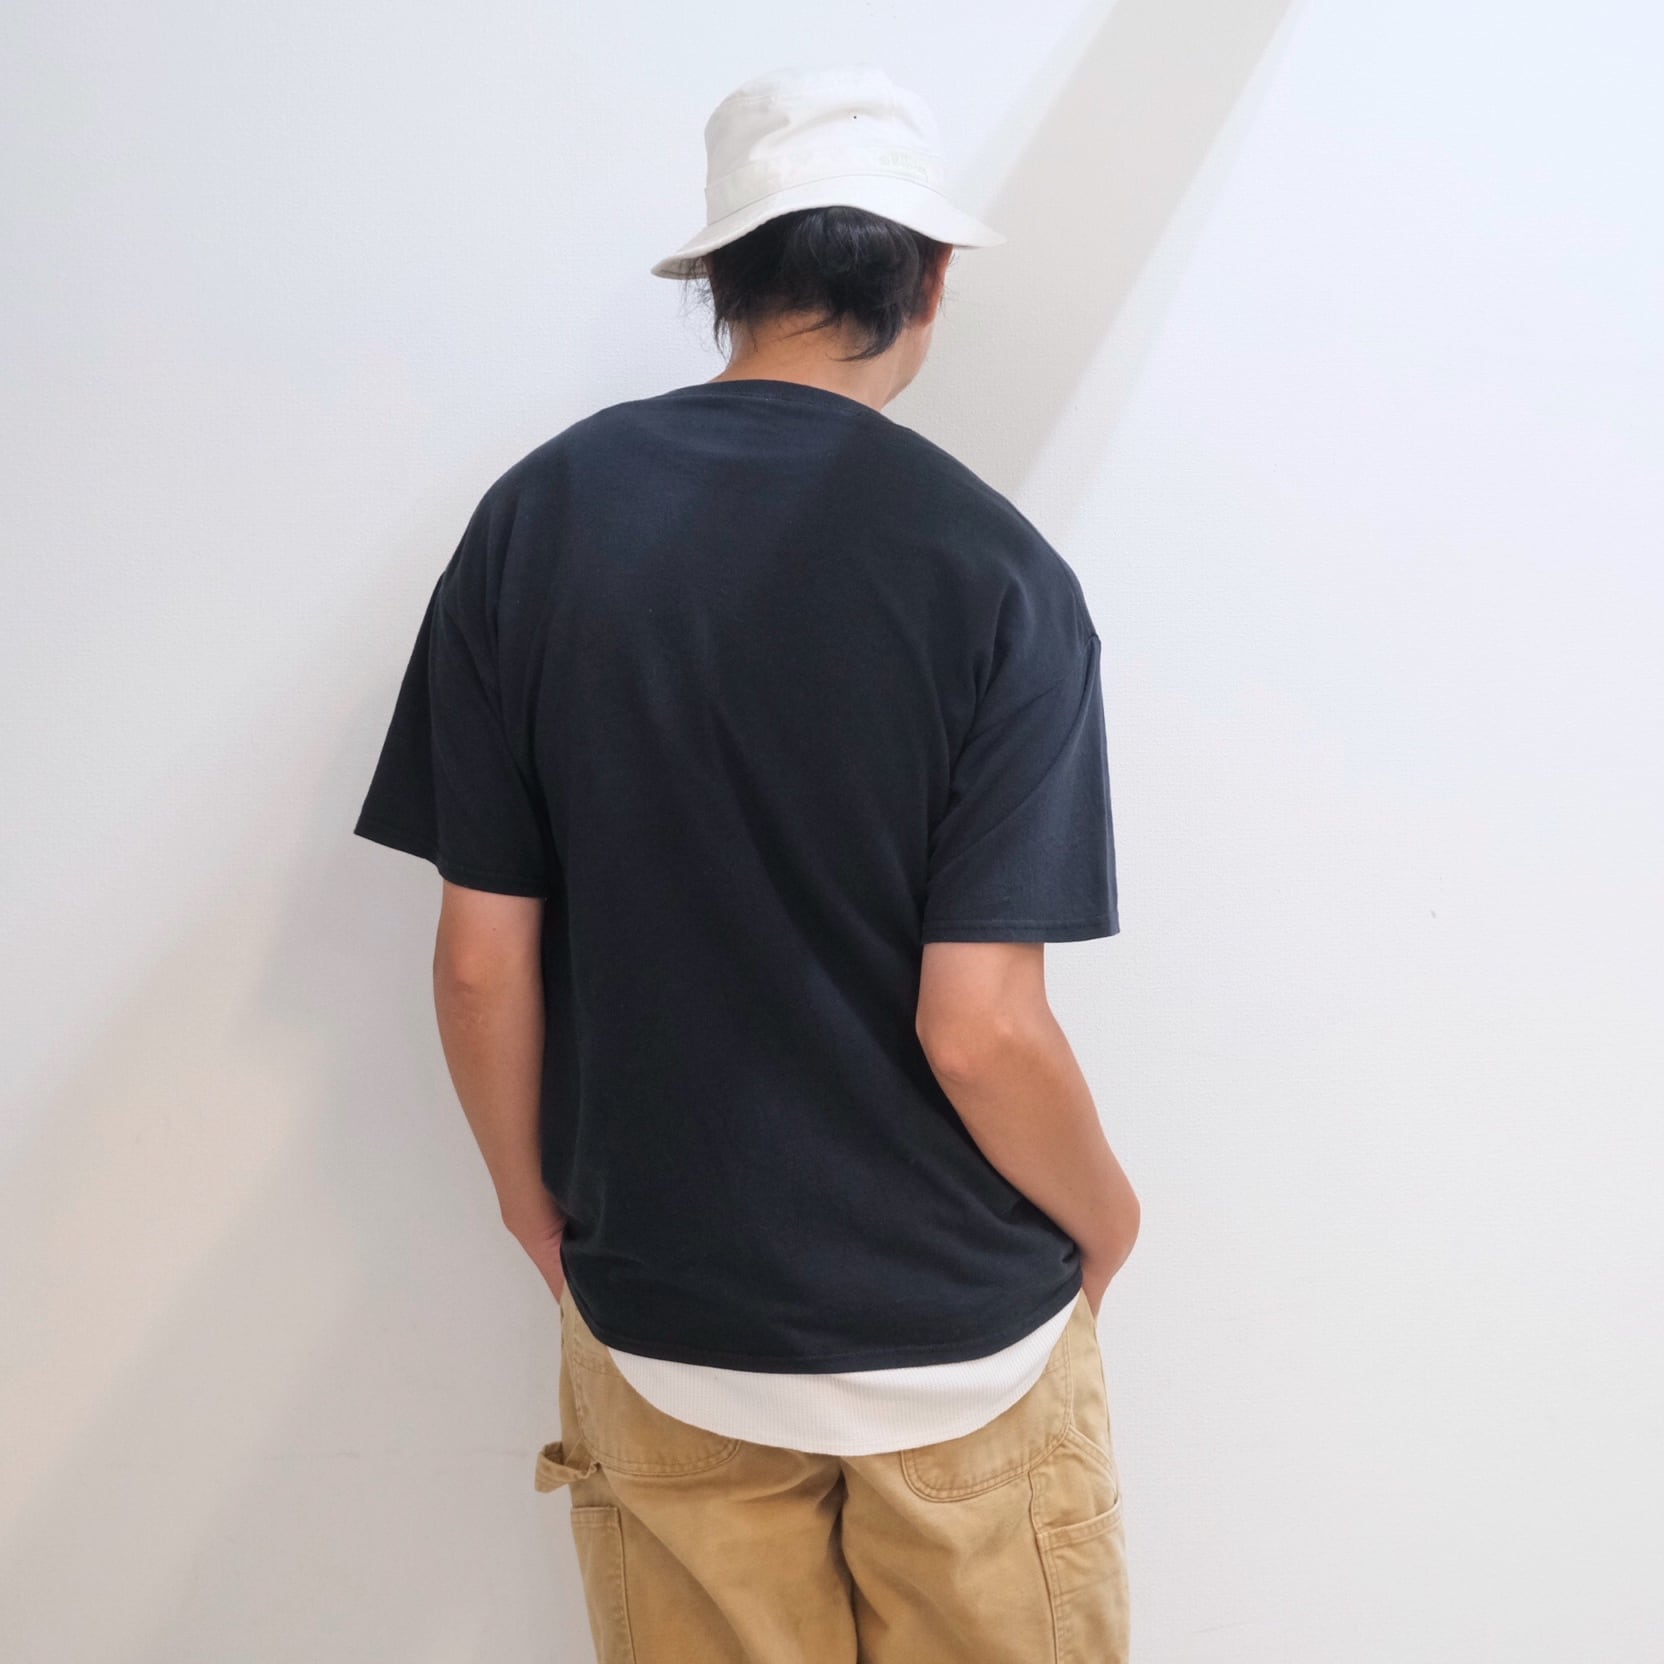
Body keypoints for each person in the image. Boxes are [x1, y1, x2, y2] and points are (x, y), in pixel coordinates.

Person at [353, 60, 1141, 1664]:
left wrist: (531, 1210)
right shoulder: (1000, 574)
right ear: (931, 280)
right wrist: (1109, 1226)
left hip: (669, 1321)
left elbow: (480, 960)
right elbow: (980, 1030)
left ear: (718, 277)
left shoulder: (536, 523)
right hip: (960, 1338)